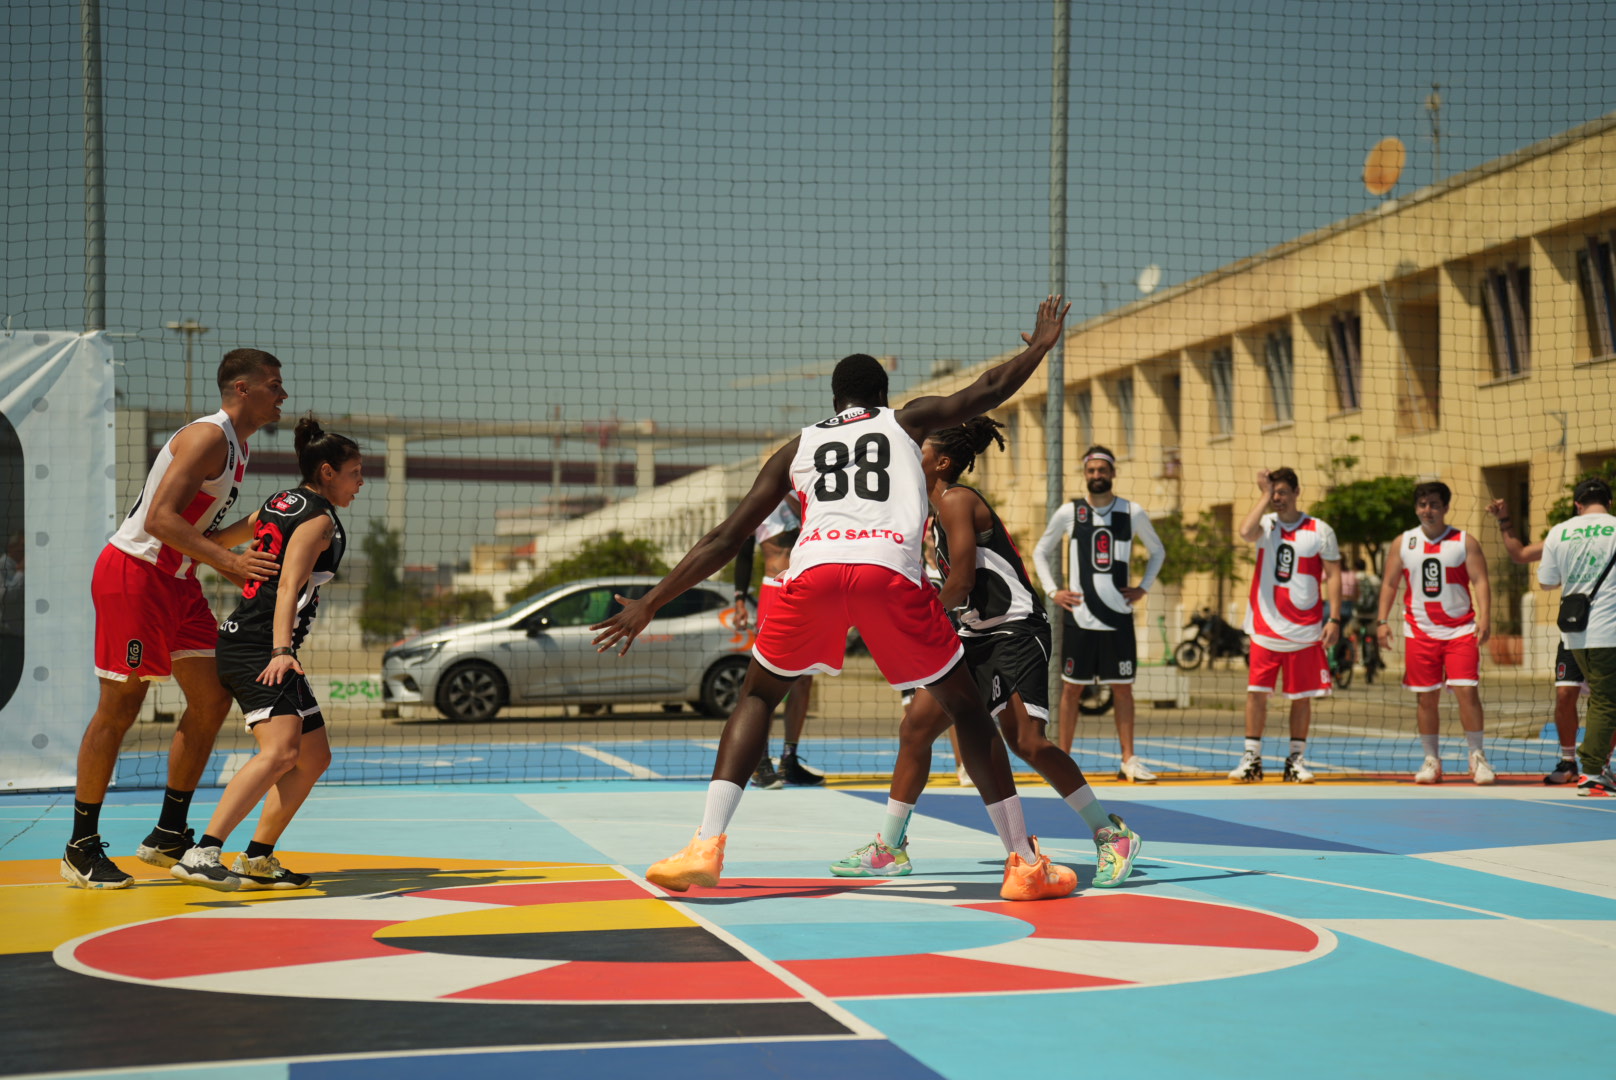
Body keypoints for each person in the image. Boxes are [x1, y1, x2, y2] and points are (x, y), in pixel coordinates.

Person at [592, 296, 1082, 902]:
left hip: (813, 574)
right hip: (885, 574)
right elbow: (984, 390)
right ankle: (1023, 863)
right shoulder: (905, 422)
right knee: (968, 710)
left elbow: (726, 536)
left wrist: (651, 602)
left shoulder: (796, 447)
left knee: (758, 695)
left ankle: (704, 847)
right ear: (880, 398)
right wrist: (1037, 347)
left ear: (834, 401)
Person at [829, 417, 1140, 885]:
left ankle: (1109, 833)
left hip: (1015, 631)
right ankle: (890, 847)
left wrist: (918, 623)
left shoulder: (957, 500)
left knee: (1027, 742)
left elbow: (962, 582)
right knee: (916, 728)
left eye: (921, 450)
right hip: (974, 635)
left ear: (943, 462)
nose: (911, 456)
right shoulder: (929, 516)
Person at [61, 350, 285, 890]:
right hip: (135, 575)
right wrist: (231, 562)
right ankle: (80, 847)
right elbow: (159, 519)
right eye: (274, 385)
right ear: (242, 387)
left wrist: (240, 542)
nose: (282, 395)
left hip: (178, 580)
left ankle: (169, 833)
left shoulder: (239, 446)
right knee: (122, 705)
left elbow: (196, 532)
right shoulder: (209, 436)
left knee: (212, 697)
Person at [172, 417, 362, 889]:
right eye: (355, 472)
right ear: (326, 472)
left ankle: (257, 858)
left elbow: (214, 546)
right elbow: (287, 590)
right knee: (280, 751)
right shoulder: (318, 520)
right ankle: (203, 852)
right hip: (260, 646)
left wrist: (243, 577)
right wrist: (280, 648)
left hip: (250, 637)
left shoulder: (280, 502)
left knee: (314, 757)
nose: (362, 482)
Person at [1032, 446, 1166, 782]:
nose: (1096, 476)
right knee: (1071, 689)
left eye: (1101, 470)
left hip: (1118, 617)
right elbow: (1040, 552)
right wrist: (1053, 591)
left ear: (1112, 473)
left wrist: (1143, 587)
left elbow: (1157, 552)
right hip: (1079, 616)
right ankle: (1062, 761)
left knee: (1122, 689)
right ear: (1085, 474)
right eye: (1091, 471)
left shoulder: (1131, 512)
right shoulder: (1070, 512)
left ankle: (1128, 759)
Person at [1375, 482, 1495, 785]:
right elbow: (1389, 584)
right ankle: (1432, 760)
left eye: (1434, 504)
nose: (1427, 510)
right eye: (1422, 504)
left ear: (1445, 508)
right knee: (1426, 698)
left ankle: (1477, 757)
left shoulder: (1464, 541)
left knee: (1467, 693)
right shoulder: (1403, 542)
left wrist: (1486, 617)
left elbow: (1480, 579)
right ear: (1416, 508)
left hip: (1460, 630)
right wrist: (1381, 621)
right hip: (1420, 632)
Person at [1228, 467, 1341, 783]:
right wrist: (1263, 494)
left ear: (1296, 492)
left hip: (1305, 631)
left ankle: (1296, 760)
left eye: (1281, 492)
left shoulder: (1320, 530)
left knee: (1301, 696)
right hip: (1265, 627)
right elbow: (1244, 531)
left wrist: (1334, 618)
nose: (1277, 498)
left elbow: (1333, 575)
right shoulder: (1265, 525)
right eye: (1272, 492)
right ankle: (1252, 760)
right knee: (1256, 693)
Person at [1487, 497, 1587, 783]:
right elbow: (1519, 553)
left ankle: (1600, 766)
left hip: (1608, 631)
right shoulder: (1565, 536)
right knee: (1565, 695)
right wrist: (1505, 520)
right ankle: (1568, 762)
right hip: (1574, 631)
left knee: (1606, 701)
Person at [732, 498, 822, 788]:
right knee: (769, 682)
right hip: (775, 591)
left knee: (805, 681)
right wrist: (739, 600)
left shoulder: (816, 497)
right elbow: (743, 554)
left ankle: (789, 759)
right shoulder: (763, 502)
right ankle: (759, 762)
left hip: (809, 591)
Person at [1536, 479, 1616, 797]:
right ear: (1608, 502)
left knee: (1598, 699)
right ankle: (1593, 771)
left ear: (1577, 504)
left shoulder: (1559, 531)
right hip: (1609, 628)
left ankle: (1585, 765)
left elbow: (1546, 581)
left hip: (1574, 631)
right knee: (1606, 701)